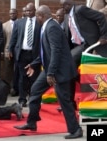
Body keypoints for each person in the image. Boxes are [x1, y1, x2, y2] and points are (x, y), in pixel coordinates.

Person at [13, 5, 83, 139]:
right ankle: (32, 122)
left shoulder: (52, 27)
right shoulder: (47, 26)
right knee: (35, 90)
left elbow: (56, 51)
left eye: (37, 16)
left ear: (41, 16)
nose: (35, 19)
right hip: (51, 68)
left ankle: (76, 130)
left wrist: (51, 73)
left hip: (59, 71)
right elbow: (46, 52)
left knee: (64, 100)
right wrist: (34, 63)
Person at [8, 3, 41, 107]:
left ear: (34, 10)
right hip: (22, 54)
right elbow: (14, 37)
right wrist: (10, 49)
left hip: (34, 55)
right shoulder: (19, 22)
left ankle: (33, 98)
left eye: (30, 11)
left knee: (34, 78)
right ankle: (22, 100)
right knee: (22, 78)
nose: (28, 13)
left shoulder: (40, 22)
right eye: (26, 11)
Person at [1, 8, 18, 97]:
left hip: (18, 51)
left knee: (17, 70)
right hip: (7, 51)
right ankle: (8, 88)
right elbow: (3, 40)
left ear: (17, 14)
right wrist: (3, 51)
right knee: (7, 70)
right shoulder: (4, 25)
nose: (12, 15)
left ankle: (16, 88)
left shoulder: (20, 23)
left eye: (14, 13)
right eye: (11, 13)